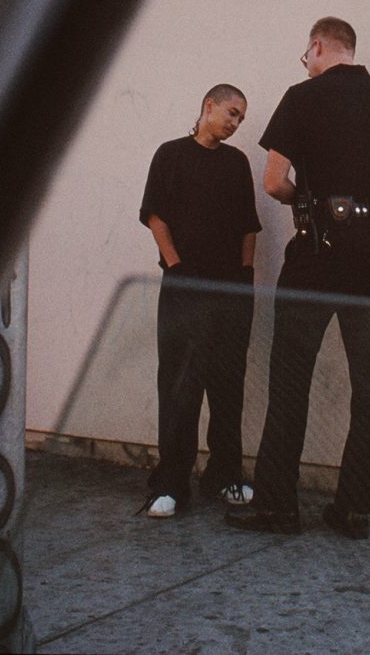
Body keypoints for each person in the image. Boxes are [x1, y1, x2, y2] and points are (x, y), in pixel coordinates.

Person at [227, 18, 370, 540]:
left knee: (291, 381)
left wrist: (305, 201)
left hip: (317, 258)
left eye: (306, 55)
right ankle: (353, 509)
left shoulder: (302, 97)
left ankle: (278, 508)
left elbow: (273, 182)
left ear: (317, 47)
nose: (306, 64)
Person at [138, 84, 263, 518]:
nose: (235, 123)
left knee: (228, 385)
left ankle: (225, 476)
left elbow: (249, 225)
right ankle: (171, 484)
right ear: (209, 106)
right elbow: (156, 216)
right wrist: (176, 268)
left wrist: (245, 276)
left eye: (241, 118)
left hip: (231, 290)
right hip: (184, 287)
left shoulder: (236, 162)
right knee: (180, 385)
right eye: (232, 112)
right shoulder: (170, 154)